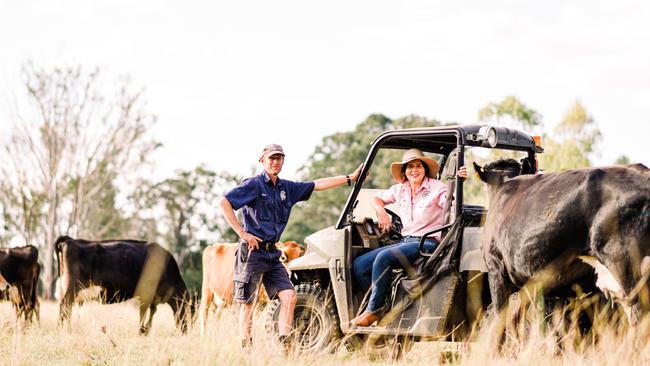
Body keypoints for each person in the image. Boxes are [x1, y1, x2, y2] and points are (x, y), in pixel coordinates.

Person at [221, 143, 363, 351]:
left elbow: (317, 184)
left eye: (279, 158)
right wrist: (242, 233)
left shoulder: (287, 188)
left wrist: (350, 178)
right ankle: (247, 347)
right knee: (249, 303)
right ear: (262, 161)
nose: (275, 162)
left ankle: (285, 344)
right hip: (253, 252)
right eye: (271, 158)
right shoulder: (253, 185)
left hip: (272, 254)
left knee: (290, 296)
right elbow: (225, 202)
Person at [351, 148, 467, 327]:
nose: (414, 170)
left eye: (418, 166)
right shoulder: (400, 190)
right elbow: (376, 199)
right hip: (406, 241)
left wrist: (460, 183)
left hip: (427, 242)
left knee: (383, 258)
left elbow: (451, 203)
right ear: (404, 171)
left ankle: (373, 310)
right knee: (359, 266)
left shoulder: (437, 188)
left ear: (425, 169)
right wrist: (381, 212)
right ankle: (384, 303)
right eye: (410, 167)